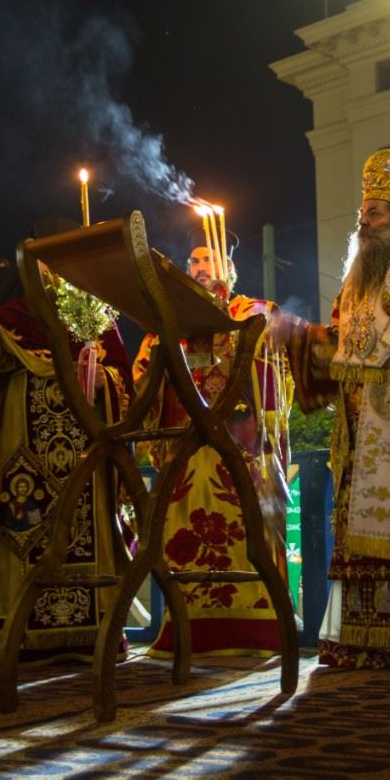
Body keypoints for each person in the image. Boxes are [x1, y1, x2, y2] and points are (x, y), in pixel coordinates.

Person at [272, 145, 390, 670]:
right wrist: (296, 337)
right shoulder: (353, 284)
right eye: (361, 214)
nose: (363, 222)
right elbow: (341, 346)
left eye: (374, 213)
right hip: (359, 426)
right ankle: (361, 641)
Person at [0, 218, 133, 665]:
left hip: (85, 448)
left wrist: (102, 381)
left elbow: (124, 385)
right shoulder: (13, 315)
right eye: (41, 261)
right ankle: (18, 631)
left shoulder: (98, 319)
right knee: (24, 528)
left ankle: (92, 631)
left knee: (87, 525)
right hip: (25, 448)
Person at [132, 236, 292, 658]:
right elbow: (147, 375)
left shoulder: (253, 311)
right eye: (194, 261)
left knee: (248, 536)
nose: (201, 267)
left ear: (230, 266)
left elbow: (274, 364)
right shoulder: (169, 320)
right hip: (186, 451)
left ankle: (260, 630)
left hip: (241, 449)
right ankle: (189, 629)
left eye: (210, 258)